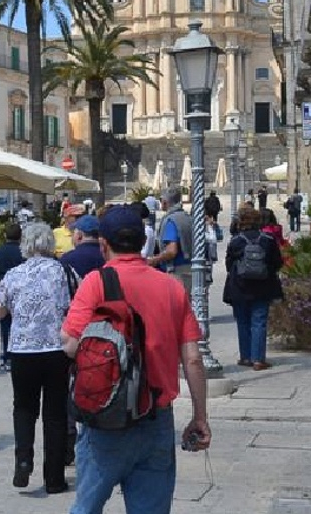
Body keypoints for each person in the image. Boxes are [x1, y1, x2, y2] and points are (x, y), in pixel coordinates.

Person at [61, 205, 211, 514]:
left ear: (104, 244)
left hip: (106, 419)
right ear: (143, 242)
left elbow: (70, 344)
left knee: (86, 507)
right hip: (156, 418)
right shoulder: (172, 287)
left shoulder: (96, 283)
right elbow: (193, 359)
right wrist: (199, 416)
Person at [0, 223, 72, 495]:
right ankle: (54, 477)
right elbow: (73, 303)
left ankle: (23, 461)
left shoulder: (14, 274)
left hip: (23, 350)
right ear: (50, 244)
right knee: (55, 413)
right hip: (54, 348)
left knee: (24, 408)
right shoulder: (61, 271)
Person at [224, 207, 284, 371]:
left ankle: (246, 357)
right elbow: (277, 262)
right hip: (263, 286)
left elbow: (229, 264)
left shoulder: (236, 241)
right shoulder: (268, 239)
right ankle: (258, 359)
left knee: (242, 322)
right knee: (259, 322)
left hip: (240, 286)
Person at [0, 223, 24, 371]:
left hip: (3, 290)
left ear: (5, 235)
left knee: (5, 325)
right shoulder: (22, 252)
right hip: (20, 292)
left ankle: (7, 356)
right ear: (20, 236)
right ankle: (18, 354)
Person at [148, 187, 194, 296]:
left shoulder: (170, 221)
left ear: (164, 202)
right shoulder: (187, 217)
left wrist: (154, 260)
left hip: (176, 270)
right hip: (190, 267)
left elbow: (171, 251)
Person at [59, 215, 106, 280]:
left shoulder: (67, 259)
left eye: (73, 233)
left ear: (79, 235)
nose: (72, 237)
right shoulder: (107, 256)